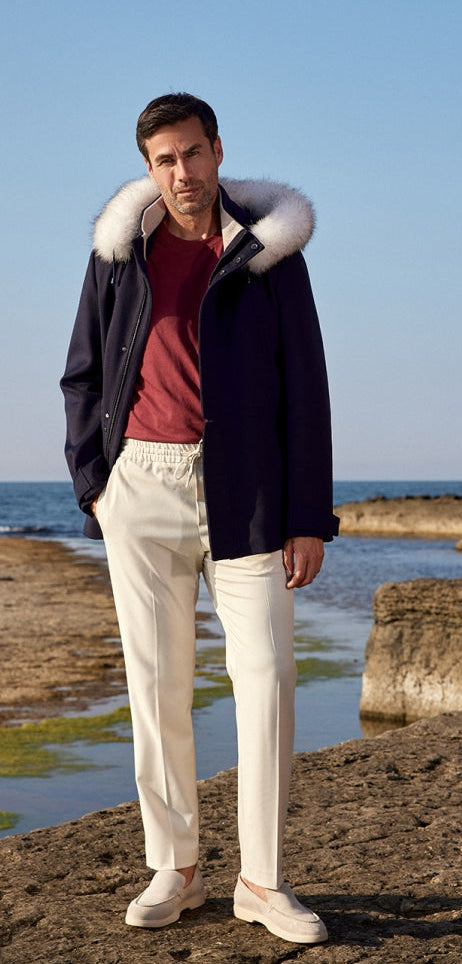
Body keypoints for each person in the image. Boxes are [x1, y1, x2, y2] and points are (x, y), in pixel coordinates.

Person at [61, 92, 339, 945]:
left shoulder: (268, 258)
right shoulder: (118, 255)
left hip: (247, 494)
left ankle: (262, 881)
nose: (181, 173)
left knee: (267, 682)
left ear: (218, 151)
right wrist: (95, 485)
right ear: (149, 169)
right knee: (155, 686)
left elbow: (308, 390)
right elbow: (82, 374)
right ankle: (172, 866)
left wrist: (307, 517)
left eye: (192, 153)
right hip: (139, 485)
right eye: (163, 160)